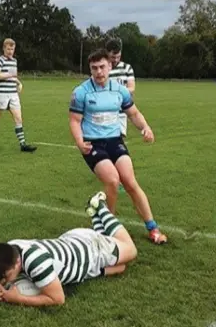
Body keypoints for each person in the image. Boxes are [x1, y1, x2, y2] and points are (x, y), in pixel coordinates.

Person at [69, 49, 167, 244]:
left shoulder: (120, 90)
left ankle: (152, 228)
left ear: (110, 66)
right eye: (94, 68)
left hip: (115, 141)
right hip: (92, 144)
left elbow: (134, 114)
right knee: (113, 181)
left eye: (102, 67)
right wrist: (80, 142)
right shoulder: (81, 92)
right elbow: (74, 120)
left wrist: (145, 127)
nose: (98, 72)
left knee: (130, 182)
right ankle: (109, 229)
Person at [0, 191, 137, 306]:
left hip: (91, 249)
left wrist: (17, 299)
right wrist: (0, 286)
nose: (3, 282)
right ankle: (96, 215)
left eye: (5, 277)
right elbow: (3, 268)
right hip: (73, 247)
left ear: (17, 263)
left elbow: (58, 298)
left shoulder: (36, 262)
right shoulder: (11, 247)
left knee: (130, 250)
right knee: (120, 267)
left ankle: (100, 207)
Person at [0, 38, 37, 153]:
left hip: (13, 95)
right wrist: (8, 74)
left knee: (18, 118)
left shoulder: (14, 61)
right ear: (4, 49)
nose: (10, 51)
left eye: (12, 49)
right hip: (1, 95)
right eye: (8, 49)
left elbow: (13, 76)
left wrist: (19, 83)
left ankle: (23, 145)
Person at [106, 38, 136, 193]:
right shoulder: (104, 68)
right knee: (111, 142)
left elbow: (131, 88)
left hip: (122, 112)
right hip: (106, 112)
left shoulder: (127, 68)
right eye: (113, 57)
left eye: (118, 56)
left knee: (118, 140)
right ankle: (115, 175)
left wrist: (116, 90)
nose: (116, 60)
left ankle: (118, 175)